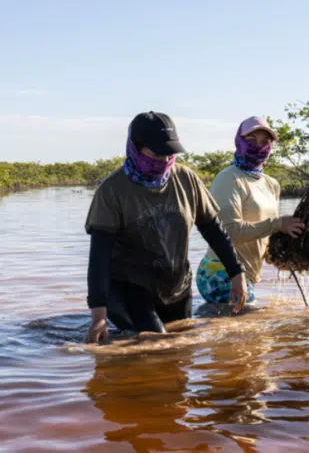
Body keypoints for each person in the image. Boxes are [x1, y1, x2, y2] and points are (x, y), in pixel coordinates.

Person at [84, 111, 248, 343]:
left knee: (179, 356)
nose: (164, 160)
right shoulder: (112, 190)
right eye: (156, 152)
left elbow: (213, 228)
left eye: (169, 153)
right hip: (129, 287)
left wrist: (236, 272)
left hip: (176, 287)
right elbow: (98, 256)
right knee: (158, 344)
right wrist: (98, 316)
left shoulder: (186, 179)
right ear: (135, 148)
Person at [196, 116, 304, 305]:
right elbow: (228, 232)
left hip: (247, 274)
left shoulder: (272, 184)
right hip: (220, 271)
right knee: (257, 330)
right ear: (239, 141)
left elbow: (263, 236)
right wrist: (279, 223)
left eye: (265, 141)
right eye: (251, 140)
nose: (258, 146)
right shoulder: (228, 179)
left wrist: (280, 261)